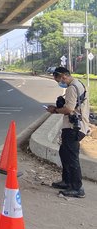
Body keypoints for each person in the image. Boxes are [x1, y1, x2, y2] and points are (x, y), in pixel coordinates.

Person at [46, 67, 89, 198]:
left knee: (71, 157)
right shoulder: (79, 84)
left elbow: (69, 108)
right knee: (64, 153)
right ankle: (67, 181)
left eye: (58, 79)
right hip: (77, 125)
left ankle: (77, 188)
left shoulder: (71, 88)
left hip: (73, 127)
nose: (60, 82)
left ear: (63, 76)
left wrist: (55, 110)